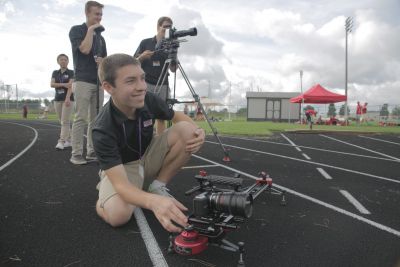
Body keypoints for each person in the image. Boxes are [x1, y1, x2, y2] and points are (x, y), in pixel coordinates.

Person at [92, 54, 205, 231]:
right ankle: (102, 201)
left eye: (142, 78)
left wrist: (199, 132)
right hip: (124, 168)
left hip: (148, 155)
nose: (142, 87)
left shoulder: (148, 99)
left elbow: (176, 116)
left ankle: (157, 186)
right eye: (130, 81)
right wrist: (153, 203)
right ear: (108, 87)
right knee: (118, 216)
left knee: (187, 130)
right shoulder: (102, 128)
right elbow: (121, 185)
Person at [69, 1, 107, 165]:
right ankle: (76, 153)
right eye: (96, 14)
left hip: (98, 82)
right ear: (87, 13)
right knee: (80, 118)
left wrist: (102, 62)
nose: (99, 17)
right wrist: (91, 30)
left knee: (95, 120)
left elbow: (106, 60)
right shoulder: (77, 30)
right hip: (83, 80)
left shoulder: (101, 38)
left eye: (100, 15)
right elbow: (84, 49)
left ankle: (91, 151)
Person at [134, 16, 176, 135]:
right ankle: (141, 142)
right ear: (158, 27)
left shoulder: (170, 45)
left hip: (163, 84)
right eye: (165, 26)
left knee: (161, 116)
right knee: (142, 114)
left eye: (170, 27)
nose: (168, 29)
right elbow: (132, 62)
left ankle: (160, 144)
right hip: (146, 83)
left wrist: (174, 56)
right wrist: (142, 56)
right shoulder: (145, 42)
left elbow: (173, 69)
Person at [51, 54, 75, 150]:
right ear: (58, 61)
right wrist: (64, 84)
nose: (63, 61)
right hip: (57, 99)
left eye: (65, 59)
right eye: (61, 59)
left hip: (68, 99)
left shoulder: (71, 72)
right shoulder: (55, 72)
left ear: (68, 61)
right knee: (62, 121)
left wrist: (68, 98)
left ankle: (61, 141)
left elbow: (71, 86)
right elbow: (52, 84)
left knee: (65, 121)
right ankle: (69, 140)